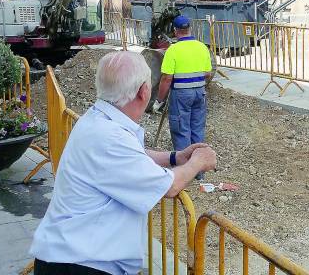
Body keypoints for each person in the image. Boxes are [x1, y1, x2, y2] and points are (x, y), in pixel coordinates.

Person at [30, 51, 217, 275]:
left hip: (69, 257)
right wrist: (198, 162)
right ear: (143, 91)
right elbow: (170, 186)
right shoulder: (111, 138)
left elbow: (134, 156)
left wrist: (175, 157)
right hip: (81, 263)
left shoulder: (98, 119)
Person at [152, 15, 212, 157]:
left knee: (181, 130)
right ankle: (199, 169)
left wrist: (159, 101)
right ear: (189, 28)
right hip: (200, 93)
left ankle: (184, 168)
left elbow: (166, 78)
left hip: (181, 94)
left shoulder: (173, 50)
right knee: (197, 129)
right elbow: (208, 73)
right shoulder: (202, 47)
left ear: (175, 30)